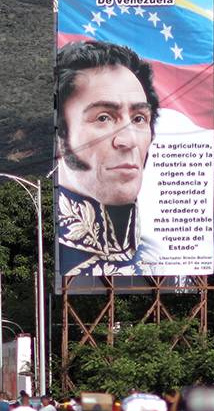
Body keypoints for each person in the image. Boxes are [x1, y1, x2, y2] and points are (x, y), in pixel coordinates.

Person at [54, 40, 163, 279]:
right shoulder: (49, 254)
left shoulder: (162, 260)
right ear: (60, 136)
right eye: (103, 118)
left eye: (138, 119)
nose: (127, 140)